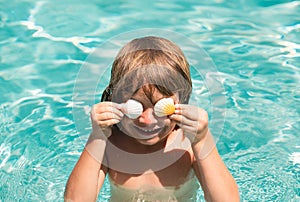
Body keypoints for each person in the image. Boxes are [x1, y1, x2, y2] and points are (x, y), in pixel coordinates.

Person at [64, 36, 239, 202]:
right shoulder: (111, 144)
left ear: (182, 100)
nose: (147, 120)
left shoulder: (188, 144)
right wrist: (97, 137)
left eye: (160, 108)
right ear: (116, 100)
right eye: (135, 107)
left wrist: (202, 141)